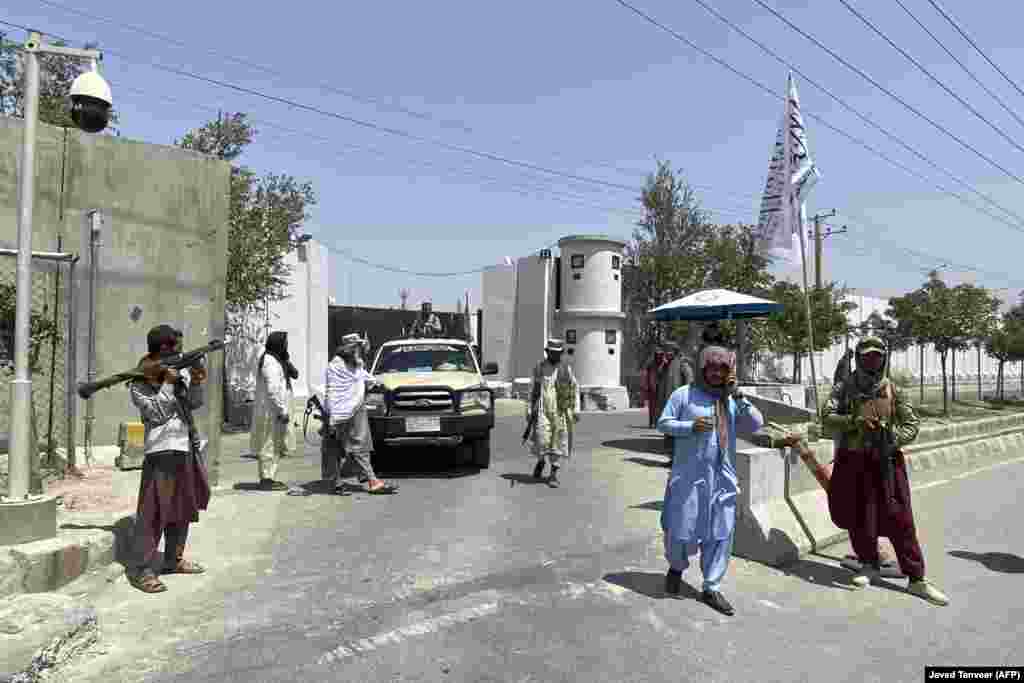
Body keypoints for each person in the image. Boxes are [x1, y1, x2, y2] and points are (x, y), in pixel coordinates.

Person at [822, 336, 949, 605]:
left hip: (886, 463)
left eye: (877, 356)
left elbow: (911, 424)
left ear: (884, 358)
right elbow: (827, 417)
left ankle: (916, 578)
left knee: (900, 520)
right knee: (858, 517)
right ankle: (868, 564)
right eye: (867, 356)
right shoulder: (844, 387)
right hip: (853, 461)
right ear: (858, 357)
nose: (872, 360)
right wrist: (853, 421)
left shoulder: (894, 389)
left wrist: (892, 438)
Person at [657, 345, 764, 616]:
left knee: (721, 533)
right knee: (680, 529)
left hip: (722, 479)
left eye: (722, 369)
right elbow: (663, 423)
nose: (716, 373)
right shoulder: (685, 395)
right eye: (711, 368)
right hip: (689, 478)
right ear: (703, 369)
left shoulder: (731, 400)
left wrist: (738, 395)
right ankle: (676, 568)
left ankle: (711, 586)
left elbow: (755, 424)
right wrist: (689, 427)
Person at [125, 324, 211, 594]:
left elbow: (193, 404)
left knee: (182, 508)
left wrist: (196, 382)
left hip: (184, 445)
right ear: (163, 348)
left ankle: (173, 559)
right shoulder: (140, 380)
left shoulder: (176, 371)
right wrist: (168, 385)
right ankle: (142, 570)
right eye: (175, 346)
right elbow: (157, 414)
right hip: (160, 450)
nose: (180, 351)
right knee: (152, 513)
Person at [322, 333, 398, 495]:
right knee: (340, 448)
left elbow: (365, 378)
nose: (359, 350)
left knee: (359, 447)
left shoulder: (355, 365)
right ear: (349, 349)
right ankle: (364, 482)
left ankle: (367, 479)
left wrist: (380, 385)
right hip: (339, 413)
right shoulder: (335, 367)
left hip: (354, 410)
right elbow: (332, 392)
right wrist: (332, 418)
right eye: (357, 347)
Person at [251, 331, 299, 491]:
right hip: (273, 412)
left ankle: (269, 477)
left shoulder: (277, 360)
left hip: (275, 411)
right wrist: (282, 410)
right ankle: (266, 479)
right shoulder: (270, 362)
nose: (286, 346)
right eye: (284, 343)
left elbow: (293, 374)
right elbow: (273, 390)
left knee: (275, 445)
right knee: (269, 445)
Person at [528, 339, 580, 488]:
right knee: (542, 440)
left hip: (560, 411)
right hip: (543, 410)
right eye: (552, 353)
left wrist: (575, 408)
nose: (555, 355)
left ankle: (553, 475)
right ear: (547, 352)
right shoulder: (539, 367)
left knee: (557, 443)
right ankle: (541, 460)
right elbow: (534, 389)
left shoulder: (565, 369)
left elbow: (575, 388)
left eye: (557, 353)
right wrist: (530, 407)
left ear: (561, 354)